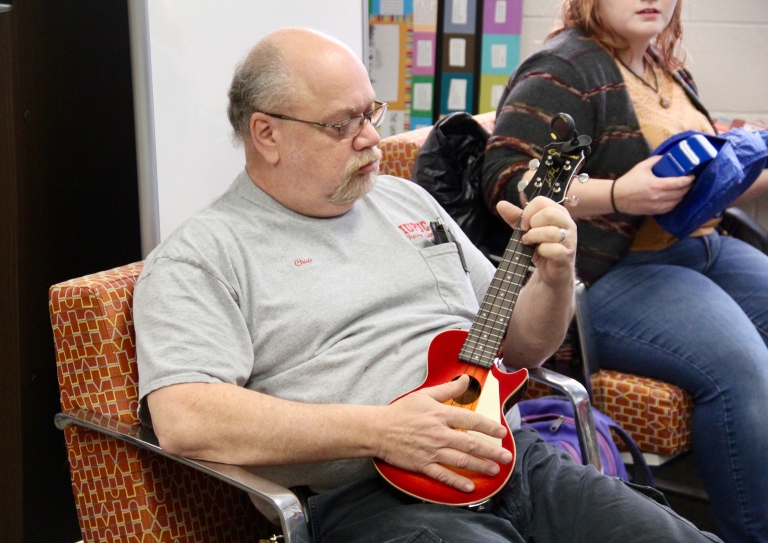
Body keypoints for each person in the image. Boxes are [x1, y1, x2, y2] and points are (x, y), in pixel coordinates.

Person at [134, 27, 721, 543]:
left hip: (509, 460)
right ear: (266, 134)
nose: (369, 138)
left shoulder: (406, 200)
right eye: (343, 124)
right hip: (372, 502)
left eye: (372, 113)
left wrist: (555, 274)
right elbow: (187, 418)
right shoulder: (203, 255)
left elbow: (520, 347)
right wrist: (384, 431)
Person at [482, 1, 768, 542]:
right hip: (617, 271)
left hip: (701, 248)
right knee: (741, 368)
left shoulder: (665, 66)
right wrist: (618, 193)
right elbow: (505, 178)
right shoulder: (562, 67)